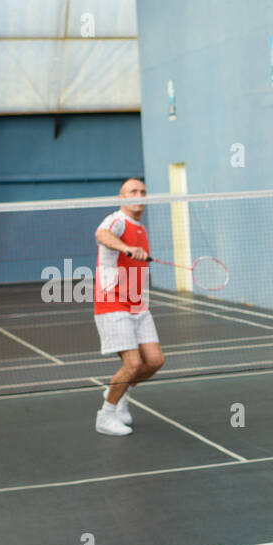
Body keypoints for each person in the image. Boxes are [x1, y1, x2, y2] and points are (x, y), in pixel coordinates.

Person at [92, 177, 165, 436]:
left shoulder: (142, 230)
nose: (139, 194)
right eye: (133, 190)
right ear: (122, 198)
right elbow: (101, 235)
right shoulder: (116, 221)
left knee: (155, 361)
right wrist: (126, 248)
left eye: (143, 191)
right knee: (132, 364)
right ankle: (105, 416)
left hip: (137, 305)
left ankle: (120, 393)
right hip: (112, 302)